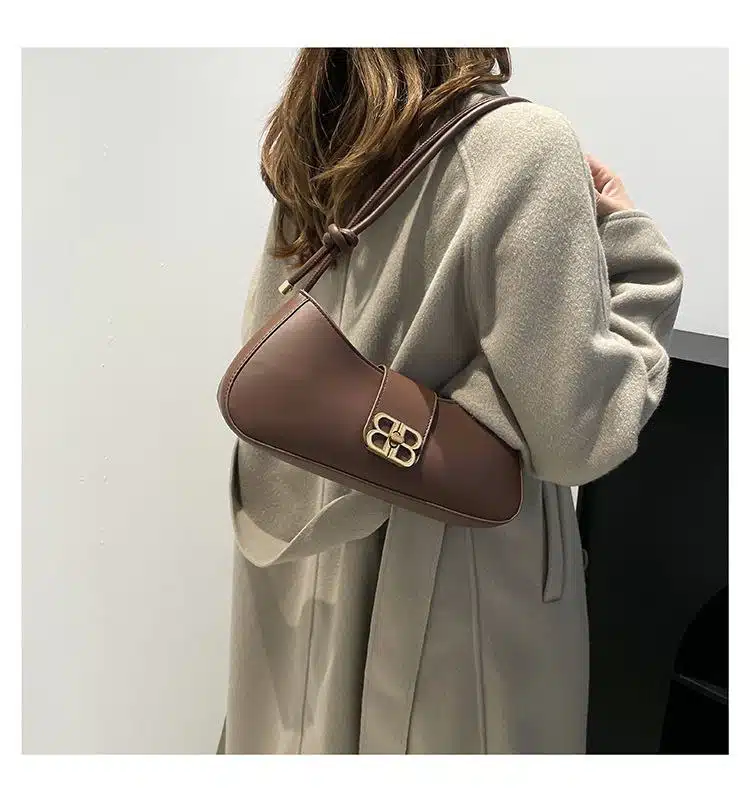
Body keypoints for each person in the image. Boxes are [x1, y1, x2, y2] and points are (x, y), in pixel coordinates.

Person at [220, 48, 683, 754]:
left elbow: (276, 363)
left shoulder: (318, 144)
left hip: (302, 571)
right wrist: (632, 249)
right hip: (449, 600)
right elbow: (580, 435)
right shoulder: (522, 145)